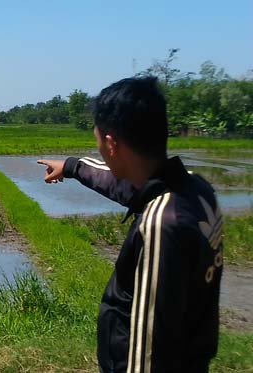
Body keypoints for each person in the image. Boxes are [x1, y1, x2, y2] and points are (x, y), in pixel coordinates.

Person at [37, 77, 223, 373]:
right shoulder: (195, 189)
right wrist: (72, 167)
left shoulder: (161, 225)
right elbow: (129, 185)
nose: (99, 149)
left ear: (111, 144)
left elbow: (150, 346)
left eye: (98, 140)